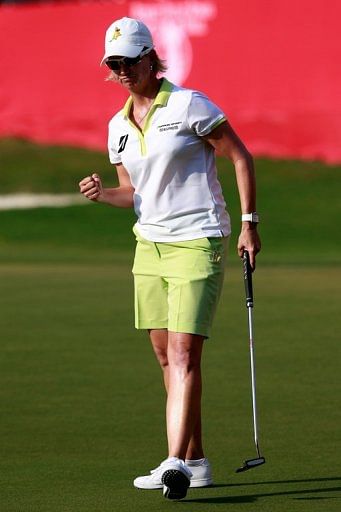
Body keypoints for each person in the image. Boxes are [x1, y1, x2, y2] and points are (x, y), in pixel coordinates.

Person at [79, 16, 261, 501]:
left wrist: (249, 223)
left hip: (197, 241)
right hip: (149, 247)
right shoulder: (117, 125)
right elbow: (132, 192)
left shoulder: (188, 104)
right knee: (166, 355)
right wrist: (103, 195)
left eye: (128, 61)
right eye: (112, 64)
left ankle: (174, 462)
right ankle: (196, 461)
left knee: (184, 352)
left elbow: (240, 157)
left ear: (150, 59)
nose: (121, 71)